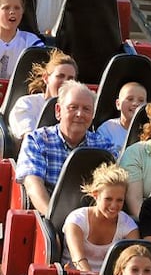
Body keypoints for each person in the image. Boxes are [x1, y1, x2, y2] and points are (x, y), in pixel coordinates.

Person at [15, 80, 117, 214]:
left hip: (92, 220)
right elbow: (33, 185)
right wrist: (52, 220)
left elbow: (112, 191)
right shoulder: (37, 140)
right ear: (58, 111)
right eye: (73, 107)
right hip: (49, 216)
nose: (80, 114)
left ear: (92, 115)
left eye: (86, 109)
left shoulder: (104, 147)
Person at [62, 163, 139, 271]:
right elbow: (78, 259)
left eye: (119, 200)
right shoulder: (76, 220)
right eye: (108, 199)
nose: (114, 205)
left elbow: (133, 261)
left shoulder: (128, 225)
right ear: (96, 195)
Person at [8, 48, 75, 140]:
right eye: (60, 76)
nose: (65, 82)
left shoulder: (78, 110)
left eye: (70, 78)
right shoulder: (27, 104)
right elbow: (29, 139)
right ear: (46, 78)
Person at [0, 0, 43, 80]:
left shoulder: (31, 42)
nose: (12, 12)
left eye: (17, 8)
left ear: (23, 11)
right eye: (6, 8)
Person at [96, 81, 147, 155]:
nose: (135, 103)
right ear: (118, 104)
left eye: (141, 100)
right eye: (130, 99)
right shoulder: (107, 129)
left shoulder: (149, 130)